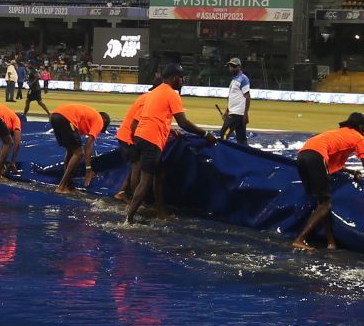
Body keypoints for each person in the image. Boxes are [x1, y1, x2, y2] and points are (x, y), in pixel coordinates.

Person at [125, 64, 212, 225]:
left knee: (160, 173)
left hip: (141, 136)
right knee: (146, 181)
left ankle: (160, 212)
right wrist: (205, 134)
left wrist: (167, 130)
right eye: (181, 77)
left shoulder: (153, 93)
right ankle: (128, 219)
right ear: (173, 78)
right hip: (151, 139)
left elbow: (142, 119)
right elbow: (183, 122)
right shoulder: (172, 94)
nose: (183, 80)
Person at [290, 113, 364, 251]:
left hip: (302, 155)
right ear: (360, 127)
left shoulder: (338, 133)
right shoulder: (358, 138)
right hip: (316, 157)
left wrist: (351, 172)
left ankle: (331, 242)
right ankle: (300, 239)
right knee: (325, 204)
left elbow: (333, 164)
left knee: (322, 203)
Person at [51, 101, 111, 193]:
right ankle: (61, 187)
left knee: (71, 151)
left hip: (54, 116)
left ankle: (67, 184)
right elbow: (88, 146)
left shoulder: (88, 117)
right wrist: (88, 169)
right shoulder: (99, 120)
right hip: (66, 117)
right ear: (104, 121)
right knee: (79, 153)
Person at [222, 57, 251, 144]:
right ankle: (245, 155)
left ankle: (223, 154)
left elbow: (248, 97)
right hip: (235, 113)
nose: (231, 67)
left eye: (234, 66)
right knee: (241, 140)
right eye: (230, 65)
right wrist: (227, 111)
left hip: (237, 114)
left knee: (223, 134)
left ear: (239, 67)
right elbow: (232, 97)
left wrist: (246, 114)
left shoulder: (243, 79)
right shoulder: (234, 79)